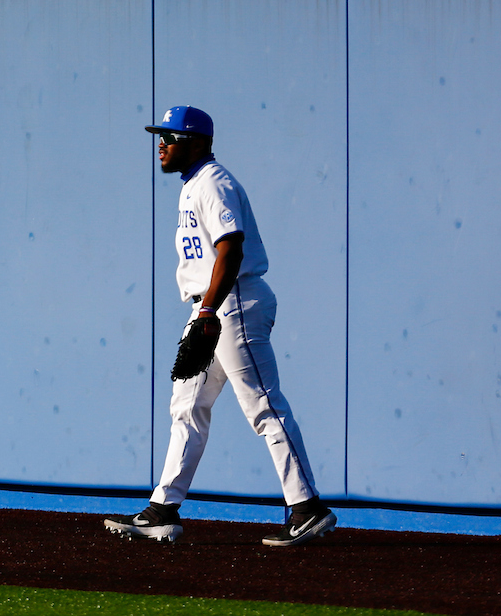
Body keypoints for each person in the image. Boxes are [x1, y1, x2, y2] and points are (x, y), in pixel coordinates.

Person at [103, 106, 335, 547]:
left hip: (233, 303)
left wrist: (209, 310)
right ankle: (163, 509)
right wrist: (204, 310)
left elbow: (231, 250)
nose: (161, 144)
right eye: (161, 136)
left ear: (195, 142)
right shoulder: (194, 184)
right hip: (211, 306)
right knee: (187, 407)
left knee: (262, 404)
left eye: (169, 136)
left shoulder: (214, 182)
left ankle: (307, 507)